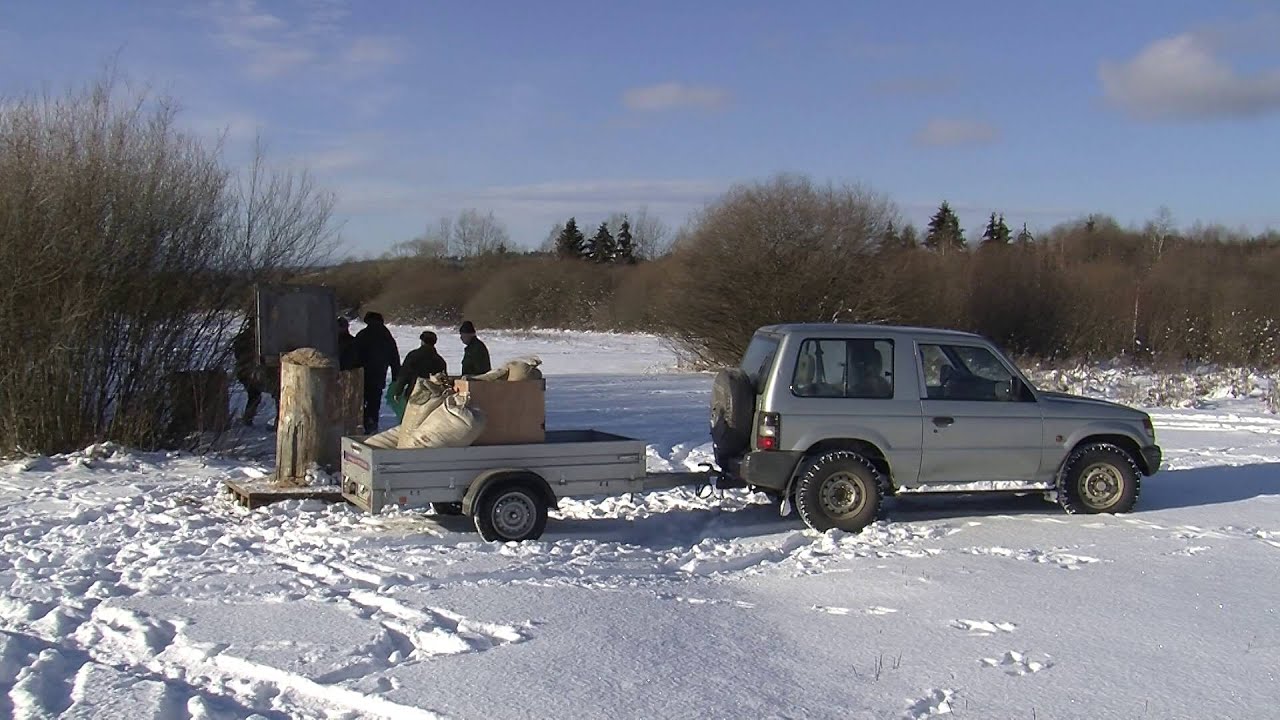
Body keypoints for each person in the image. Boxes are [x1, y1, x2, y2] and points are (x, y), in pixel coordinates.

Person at [354, 312, 401, 433]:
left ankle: (363, 422)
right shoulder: (386, 336)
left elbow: (353, 354)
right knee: (374, 401)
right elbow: (394, 358)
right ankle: (372, 423)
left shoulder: (363, 334)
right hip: (379, 375)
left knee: (361, 400)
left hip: (362, 374)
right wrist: (396, 376)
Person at [231, 317, 280, 426]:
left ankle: (248, 418)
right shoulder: (261, 339)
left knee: (254, 396)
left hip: (247, 372)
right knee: (276, 393)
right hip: (252, 372)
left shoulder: (250, 338)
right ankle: (278, 422)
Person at [391, 330, 448, 401]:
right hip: (433, 397)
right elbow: (444, 381)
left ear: (422, 341)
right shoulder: (440, 360)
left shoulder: (413, 355)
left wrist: (398, 391)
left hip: (413, 393)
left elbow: (404, 375)